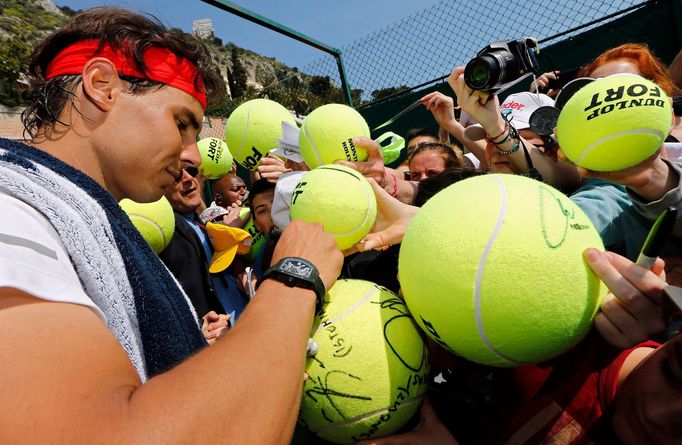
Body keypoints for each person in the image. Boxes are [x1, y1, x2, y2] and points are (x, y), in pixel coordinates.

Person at [0, 8, 343, 443]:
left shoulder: (82, 213)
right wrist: (294, 279)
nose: (194, 156)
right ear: (101, 86)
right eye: (181, 124)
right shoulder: (10, 208)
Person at [160, 167, 248, 324]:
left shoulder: (198, 221)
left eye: (192, 171)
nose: (188, 178)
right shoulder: (169, 232)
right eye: (176, 175)